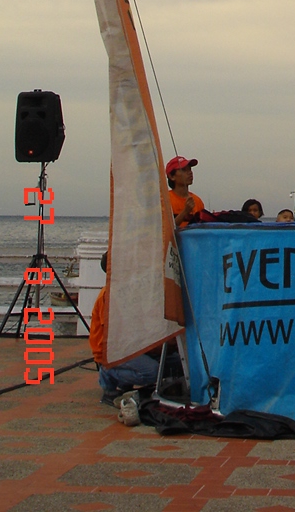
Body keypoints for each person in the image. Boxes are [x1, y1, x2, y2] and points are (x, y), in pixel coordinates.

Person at [89, 253, 161, 405]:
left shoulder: (125, 291)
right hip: (111, 351)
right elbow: (113, 333)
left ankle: (123, 380)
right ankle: (108, 373)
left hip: (126, 345)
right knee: (153, 372)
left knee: (169, 362)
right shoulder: (109, 294)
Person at [166, 157, 203, 228]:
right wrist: (185, 211)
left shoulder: (197, 201)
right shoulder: (165, 200)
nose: (190, 172)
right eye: (183, 170)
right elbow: (166, 229)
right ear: (172, 176)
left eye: (190, 169)